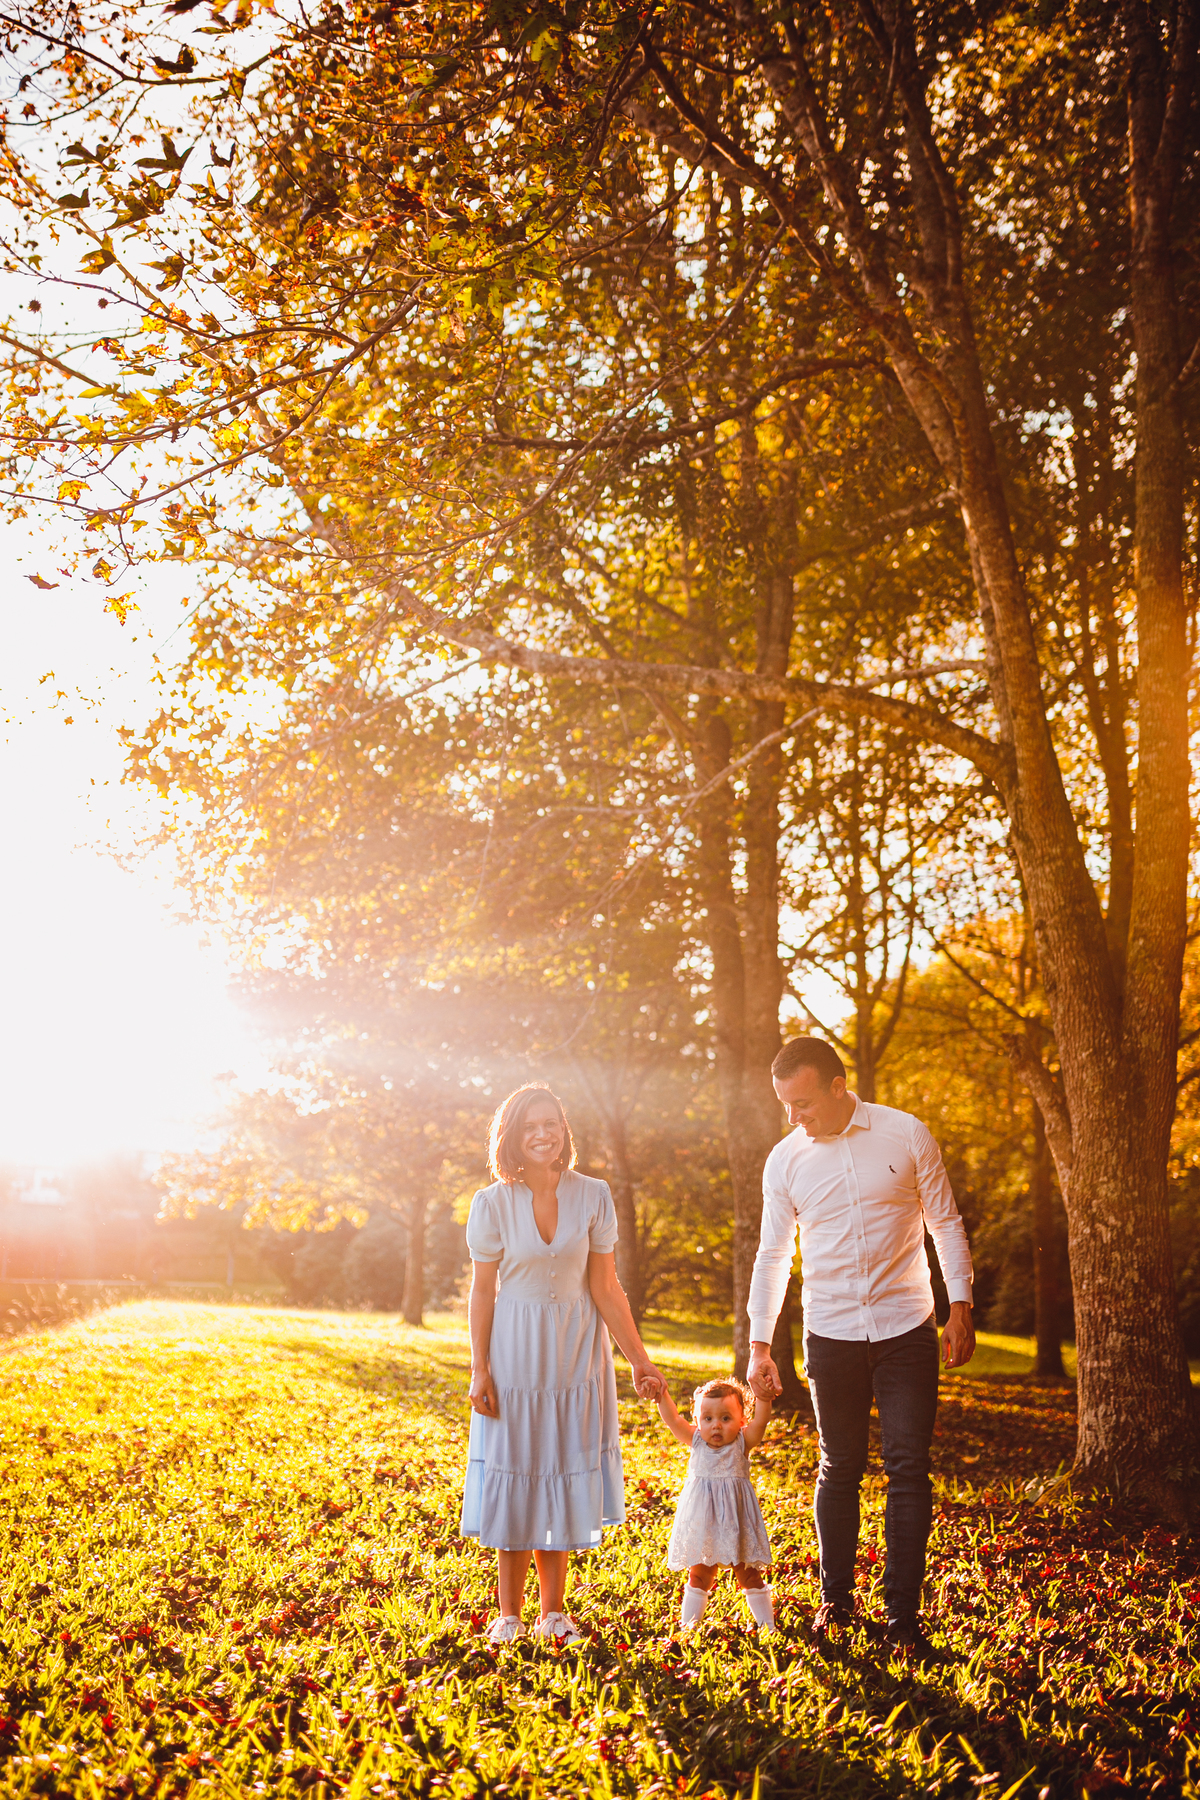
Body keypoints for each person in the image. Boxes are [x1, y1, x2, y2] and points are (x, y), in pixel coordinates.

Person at [746, 1037, 975, 1661]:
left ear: (838, 1085)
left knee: (907, 1467)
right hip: (832, 1334)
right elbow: (772, 1256)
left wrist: (961, 1307)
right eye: (784, 1105)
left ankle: (903, 1615)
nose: (794, 1116)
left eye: (803, 1102)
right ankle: (837, 1603)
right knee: (839, 1466)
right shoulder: (785, 1160)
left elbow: (945, 1223)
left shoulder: (905, 1135)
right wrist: (760, 1344)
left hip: (907, 1329)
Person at [461, 1082, 666, 1644]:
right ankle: (509, 1614)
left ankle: (554, 1613)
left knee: (557, 1466)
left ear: (564, 1130)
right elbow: (483, 1292)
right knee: (515, 1468)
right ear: (511, 1137)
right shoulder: (492, 1203)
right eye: (530, 1126)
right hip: (514, 1353)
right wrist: (479, 1368)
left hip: (578, 1353)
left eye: (551, 1123)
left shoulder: (593, 1194)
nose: (543, 1134)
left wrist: (639, 1361)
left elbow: (607, 1287)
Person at [655, 1376, 775, 1635]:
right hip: (704, 1524)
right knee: (699, 1576)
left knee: (749, 1576)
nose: (716, 1426)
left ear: (742, 1420)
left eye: (725, 1418)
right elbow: (673, 1419)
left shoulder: (743, 1442)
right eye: (707, 1419)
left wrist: (764, 1398)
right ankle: (688, 1630)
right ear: (697, 1422)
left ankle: (768, 1628)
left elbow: (762, 1421)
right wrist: (661, 1396)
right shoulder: (696, 1440)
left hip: (736, 1524)